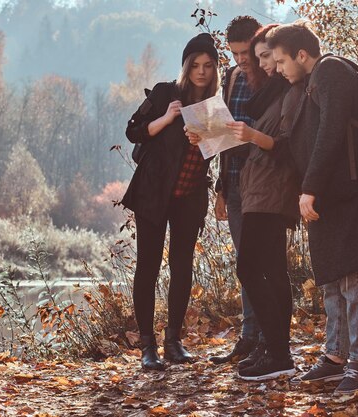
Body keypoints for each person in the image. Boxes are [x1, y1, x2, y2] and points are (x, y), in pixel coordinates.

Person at [266, 21, 358, 394]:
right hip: (332, 196)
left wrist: (309, 188)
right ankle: (335, 357)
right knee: (332, 280)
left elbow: (332, 130)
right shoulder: (310, 82)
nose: (277, 69)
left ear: (302, 55)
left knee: (354, 281)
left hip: (351, 194)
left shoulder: (330, 71)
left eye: (280, 61)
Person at [189, 24, 303, 380]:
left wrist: (251, 136)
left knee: (254, 269)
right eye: (256, 58)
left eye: (267, 57)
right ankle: (273, 349)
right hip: (255, 185)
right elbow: (253, 137)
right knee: (267, 271)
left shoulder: (288, 88)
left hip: (272, 189)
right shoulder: (261, 86)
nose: (262, 64)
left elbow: (285, 143)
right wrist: (208, 135)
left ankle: (277, 351)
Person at [120, 33, 220, 371]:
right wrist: (166, 119)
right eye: (195, 65)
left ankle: (173, 341)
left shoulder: (215, 103)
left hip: (190, 196)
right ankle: (148, 346)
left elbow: (217, 150)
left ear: (215, 69)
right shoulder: (166, 91)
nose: (201, 71)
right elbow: (133, 130)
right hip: (153, 193)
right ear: (186, 66)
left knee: (182, 268)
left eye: (208, 65)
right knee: (147, 267)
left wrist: (205, 137)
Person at [208, 15, 267, 365]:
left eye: (245, 52)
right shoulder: (231, 78)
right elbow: (223, 137)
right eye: (234, 54)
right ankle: (248, 337)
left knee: (264, 265)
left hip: (263, 184)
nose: (241, 60)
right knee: (244, 264)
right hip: (234, 184)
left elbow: (278, 128)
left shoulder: (271, 75)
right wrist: (220, 188)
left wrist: (247, 130)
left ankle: (268, 339)